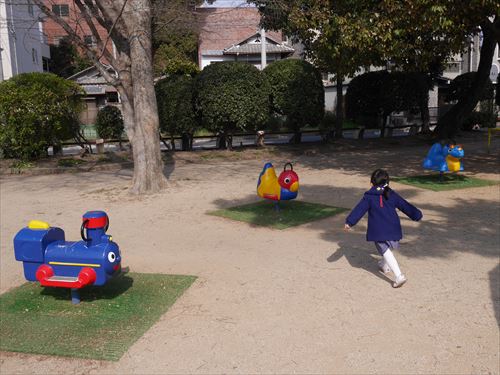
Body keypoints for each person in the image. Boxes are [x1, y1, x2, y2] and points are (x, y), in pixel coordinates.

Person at [344, 169, 423, 288]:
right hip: (393, 228)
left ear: (371, 183)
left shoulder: (369, 197)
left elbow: (359, 210)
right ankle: (383, 264)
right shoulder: (392, 194)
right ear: (387, 182)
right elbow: (404, 205)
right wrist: (416, 215)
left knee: (385, 250)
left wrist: (349, 222)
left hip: (379, 230)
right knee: (387, 249)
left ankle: (399, 276)